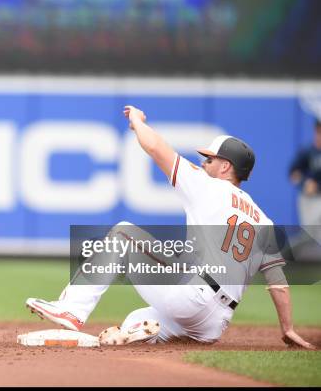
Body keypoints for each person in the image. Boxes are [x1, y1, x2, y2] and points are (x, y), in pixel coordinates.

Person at [26, 105, 315, 349]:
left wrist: (137, 121)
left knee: (123, 234)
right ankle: (138, 332)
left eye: (210, 159)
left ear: (225, 167)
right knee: (139, 318)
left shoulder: (208, 186)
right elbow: (277, 282)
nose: (203, 163)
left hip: (192, 297)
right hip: (215, 323)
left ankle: (72, 310)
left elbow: (154, 146)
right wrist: (287, 328)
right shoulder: (263, 219)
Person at [289, 118, 321, 254]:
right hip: (309, 200)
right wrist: (305, 183)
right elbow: (293, 174)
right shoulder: (308, 152)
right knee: (310, 234)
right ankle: (283, 254)